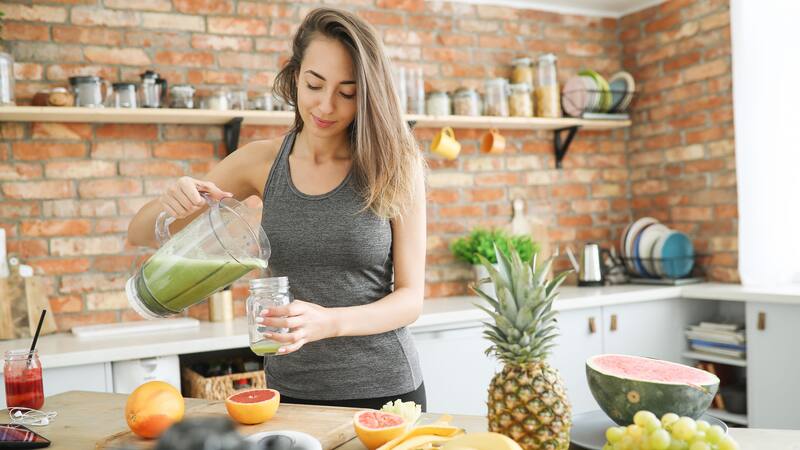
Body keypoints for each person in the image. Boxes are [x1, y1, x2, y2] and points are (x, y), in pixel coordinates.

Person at [127, 7, 427, 410]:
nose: (325, 106)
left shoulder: (394, 164)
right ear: (295, 76)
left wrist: (331, 322)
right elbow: (140, 232)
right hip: (290, 393)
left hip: (385, 390)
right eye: (314, 85)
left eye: (347, 93)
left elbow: (411, 298)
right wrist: (170, 202)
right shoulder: (259, 163)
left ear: (368, 94)